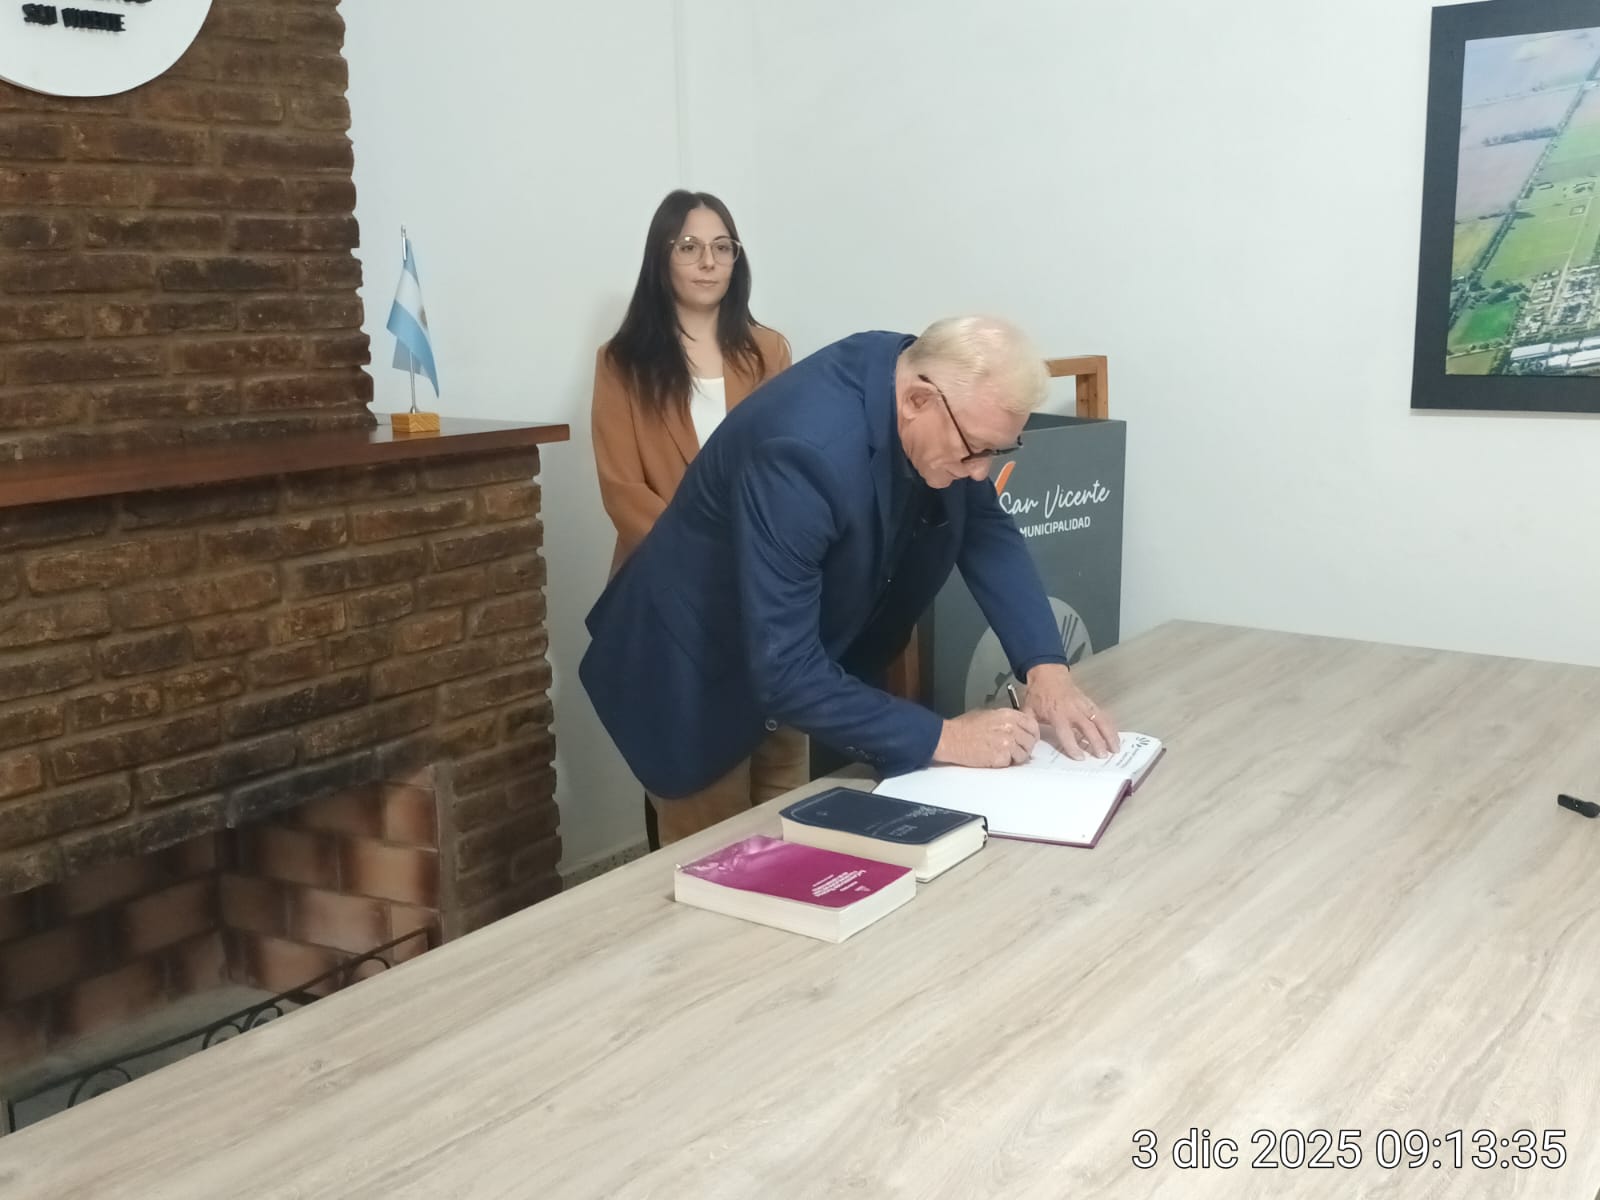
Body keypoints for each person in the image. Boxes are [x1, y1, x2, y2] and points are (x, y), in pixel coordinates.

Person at [580, 315, 1120, 828]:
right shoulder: (801, 452)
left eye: (994, 453)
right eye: (973, 452)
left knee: (791, 841)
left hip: (795, 662)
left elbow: (985, 529)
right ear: (916, 401)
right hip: (694, 674)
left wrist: (1046, 669)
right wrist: (948, 738)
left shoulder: (927, 384)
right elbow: (785, 672)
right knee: (720, 864)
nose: (980, 472)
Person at [590, 189, 806, 847]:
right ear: (661, 260)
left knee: (784, 785)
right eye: (689, 247)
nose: (708, 262)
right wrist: (708, 568)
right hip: (671, 603)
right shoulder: (622, 361)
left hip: (766, 597)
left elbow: (791, 469)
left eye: (722, 247)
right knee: (701, 805)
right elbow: (623, 490)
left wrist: (768, 565)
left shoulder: (768, 350)